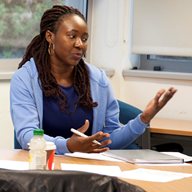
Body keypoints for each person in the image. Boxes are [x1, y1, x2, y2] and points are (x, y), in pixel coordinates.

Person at [10, 5, 177, 155]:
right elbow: (27, 136)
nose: (80, 44)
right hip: (42, 168)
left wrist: (144, 119)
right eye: (72, 36)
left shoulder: (98, 80)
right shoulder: (25, 79)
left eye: (84, 39)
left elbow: (109, 140)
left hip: (88, 172)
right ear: (50, 37)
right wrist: (68, 145)